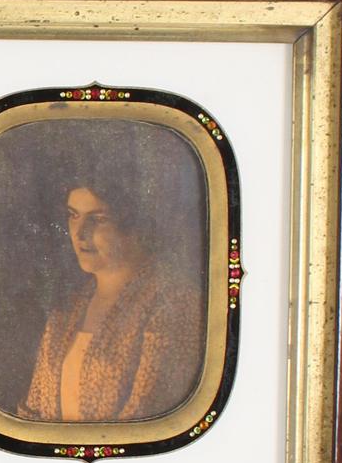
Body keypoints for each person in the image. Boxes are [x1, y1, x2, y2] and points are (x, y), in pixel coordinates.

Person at [18, 135, 204, 424]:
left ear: (134, 224)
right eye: (73, 215)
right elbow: (32, 413)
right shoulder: (68, 308)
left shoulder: (173, 303)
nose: (79, 233)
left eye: (98, 219)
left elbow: (146, 421)